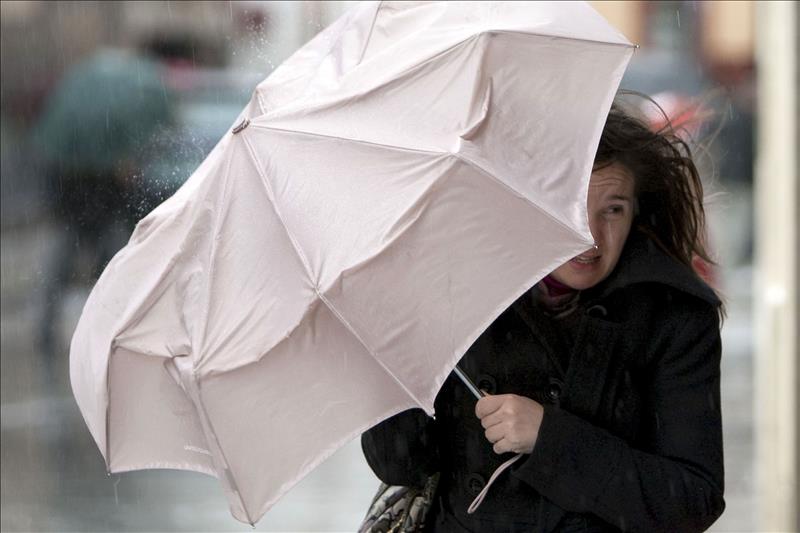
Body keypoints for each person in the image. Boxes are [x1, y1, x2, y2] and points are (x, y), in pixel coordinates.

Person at [361, 100, 725, 532]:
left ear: (636, 212)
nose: (591, 238)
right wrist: (397, 349)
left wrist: (551, 440)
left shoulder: (671, 317)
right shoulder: (462, 291)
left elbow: (692, 499)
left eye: (613, 209)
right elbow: (400, 464)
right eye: (570, 206)